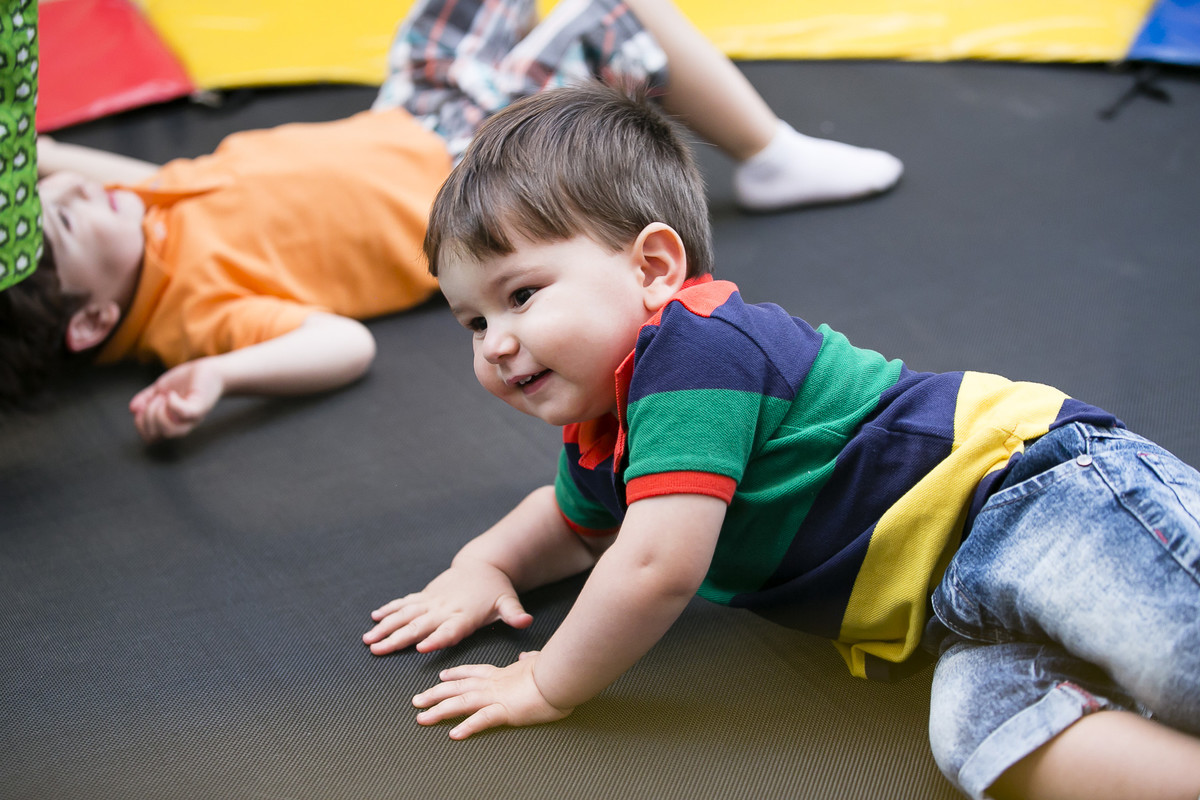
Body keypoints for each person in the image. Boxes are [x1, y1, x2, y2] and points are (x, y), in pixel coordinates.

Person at [361, 82, 1200, 800]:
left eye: (522, 294)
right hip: (956, 618)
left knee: (1178, 657)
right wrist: (489, 563)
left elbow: (655, 566)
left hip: (1027, 500)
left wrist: (548, 677)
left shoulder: (694, 347)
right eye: (472, 321)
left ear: (654, 270)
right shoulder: (606, 434)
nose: (496, 342)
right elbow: (577, 525)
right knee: (986, 735)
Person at [0, 0, 902, 443]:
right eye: (70, 224)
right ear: (91, 319)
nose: (82, 196)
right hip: (477, 165)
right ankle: (769, 150)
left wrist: (28, 154)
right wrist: (219, 374)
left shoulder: (143, 212)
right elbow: (336, 344)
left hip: (414, 107)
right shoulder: (191, 309)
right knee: (618, 8)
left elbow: (67, 169)